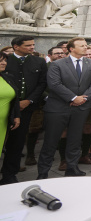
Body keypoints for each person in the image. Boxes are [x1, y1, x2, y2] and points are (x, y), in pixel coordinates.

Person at [38, 37, 91, 178]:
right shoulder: (57, 64)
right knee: (51, 141)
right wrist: (73, 98)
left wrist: (83, 98)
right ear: (71, 49)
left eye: (86, 45)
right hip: (58, 108)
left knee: (75, 139)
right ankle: (43, 173)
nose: (86, 48)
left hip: (81, 108)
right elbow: (55, 84)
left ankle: (72, 168)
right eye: (82, 45)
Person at [0, 35, 48, 185]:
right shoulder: (6, 60)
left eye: (33, 45)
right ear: (16, 46)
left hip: (26, 109)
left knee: (17, 142)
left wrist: (29, 100)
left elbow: (42, 83)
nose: (32, 48)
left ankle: (9, 174)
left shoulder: (39, 61)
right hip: (5, 107)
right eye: (28, 45)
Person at [0, 52, 21, 159]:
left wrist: (16, 116)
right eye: (0, 61)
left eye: (5, 60)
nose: (4, 63)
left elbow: (15, 98)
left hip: (3, 123)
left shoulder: (7, 78)